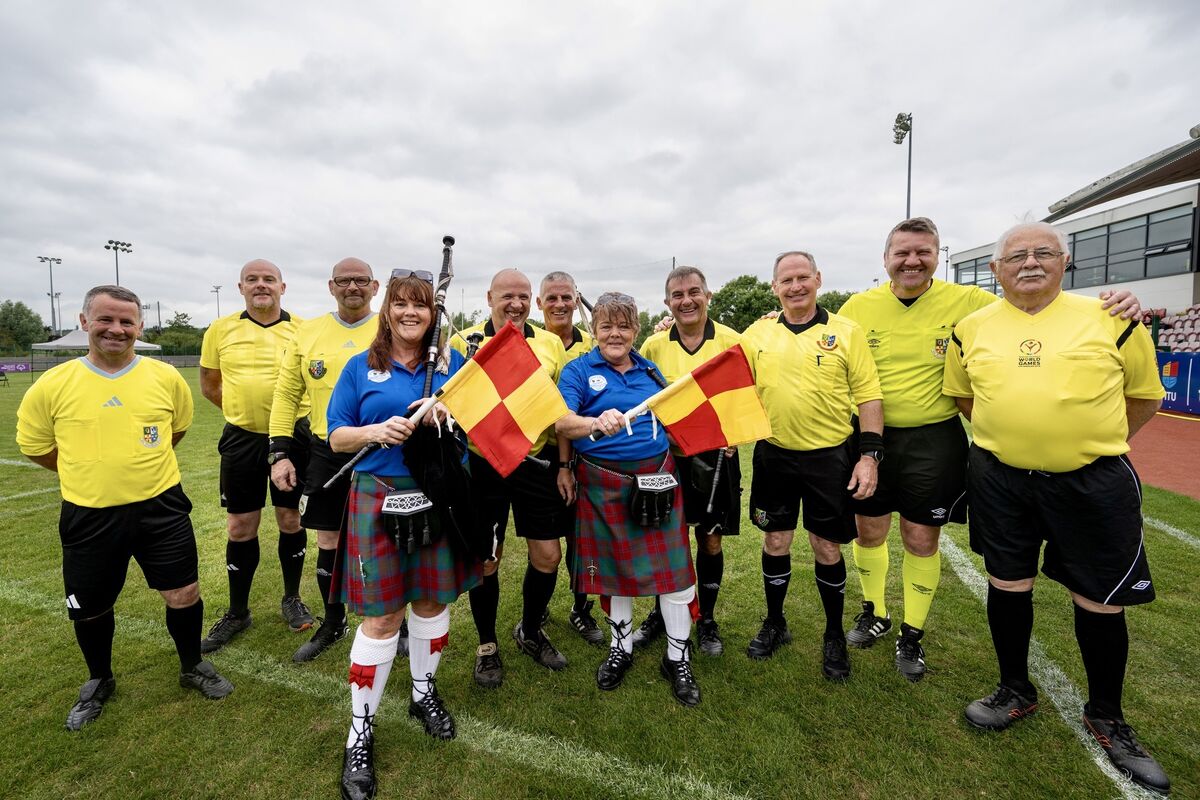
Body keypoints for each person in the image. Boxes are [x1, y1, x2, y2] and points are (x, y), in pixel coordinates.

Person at [838, 217, 1144, 682]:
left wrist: (1121, 299)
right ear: (886, 259)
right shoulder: (858, 307)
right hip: (871, 438)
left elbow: (1028, 310)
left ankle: (912, 633)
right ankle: (873, 611)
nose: (912, 260)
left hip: (933, 439)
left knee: (921, 538)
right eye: (902, 252)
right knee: (869, 531)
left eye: (923, 251)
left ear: (937, 256)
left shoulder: (972, 302)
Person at [944, 222, 1169, 795]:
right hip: (1001, 479)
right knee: (1007, 581)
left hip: (1091, 483)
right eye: (1015, 256)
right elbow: (967, 397)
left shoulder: (1112, 318)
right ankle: (1015, 689)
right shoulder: (970, 329)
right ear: (995, 270)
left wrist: (1084, 444)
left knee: (1098, 598)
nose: (1029, 263)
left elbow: (1142, 398)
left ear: (1065, 262)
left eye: (1043, 253)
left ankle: (1107, 716)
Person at [16, 285, 233, 731]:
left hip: (162, 508)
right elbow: (36, 447)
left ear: (139, 326)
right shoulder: (53, 384)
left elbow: (176, 430)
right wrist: (86, 470)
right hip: (89, 513)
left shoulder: (165, 377)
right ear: (84, 322)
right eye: (105, 320)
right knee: (91, 605)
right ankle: (99, 679)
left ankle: (192, 665)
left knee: (183, 593)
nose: (116, 329)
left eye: (126, 321)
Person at [328, 272, 481, 799]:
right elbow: (336, 434)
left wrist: (448, 411)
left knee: (433, 603)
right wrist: (376, 431)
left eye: (420, 305)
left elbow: (481, 425)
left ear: (431, 314)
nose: (410, 313)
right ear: (386, 310)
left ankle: (422, 691)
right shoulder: (359, 367)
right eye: (401, 304)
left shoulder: (451, 367)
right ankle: (360, 732)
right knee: (382, 617)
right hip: (379, 494)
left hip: (438, 493)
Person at [741, 251, 883, 681]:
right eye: (787, 280)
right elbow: (721, 367)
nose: (796, 286)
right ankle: (775, 623)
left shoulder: (845, 332)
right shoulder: (758, 332)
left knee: (826, 546)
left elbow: (870, 397)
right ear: (774, 287)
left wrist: (869, 457)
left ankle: (834, 633)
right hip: (775, 455)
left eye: (803, 277)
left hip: (830, 457)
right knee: (776, 541)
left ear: (818, 279)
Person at [555, 292, 701, 706]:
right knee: (616, 574)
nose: (615, 334)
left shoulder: (650, 371)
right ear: (594, 330)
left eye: (623, 326)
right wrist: (593, 421)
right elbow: (561, 420)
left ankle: (678, 657)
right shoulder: (578, 371)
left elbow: (677, 413)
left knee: (675, 577)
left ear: (636, 330)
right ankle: (622, 648)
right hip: (605, 483)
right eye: (606, 326)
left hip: (658, 478)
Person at [448, 269, 571, 687]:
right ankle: (487, 646)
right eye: (507, 296)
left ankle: (531, 631)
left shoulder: (551, 343)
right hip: (484, 466)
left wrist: (565, 465)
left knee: (548, 556)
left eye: (522, 296)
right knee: (487, 560)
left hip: (535, 463)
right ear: (489, 297)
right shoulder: (462, 342)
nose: (515, 304)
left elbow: (560, 410)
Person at [269, 257, 380, 663]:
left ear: (375, 286)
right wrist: (279, 453)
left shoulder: (391, 327)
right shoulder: (307, 333)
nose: (353, 287)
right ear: (331, 287)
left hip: (385, 451)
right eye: (344, 281)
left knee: (390, 536)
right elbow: (285, 395)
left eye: (361, 280)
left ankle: (395, 622)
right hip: (327, 449)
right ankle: (333, 622)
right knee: (329, 538)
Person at [199, 259, 311, 652]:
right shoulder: (220, 329)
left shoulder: (303, 330)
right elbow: (210, 385)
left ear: (283, 287)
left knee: (290, 517)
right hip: (242, 438)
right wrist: (243, 413)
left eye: (268, 280)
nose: (260, 285)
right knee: (239, 527)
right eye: (252, 280)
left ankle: (292, 598)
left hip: (293, 437)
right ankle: (237, 611)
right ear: (240, 287)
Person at [635, 266, 743, 657]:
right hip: (669, 459)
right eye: (677, 295)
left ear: (708, 295)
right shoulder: (653, 345)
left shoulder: (733, 341)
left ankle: (707, 619)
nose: (686, 300)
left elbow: (749, 394)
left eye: (693, 292)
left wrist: (736, 433)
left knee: (710, 540)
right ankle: (660, 615)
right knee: (665, 539)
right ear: (667, 303)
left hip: (717, 457)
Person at [535, 271, 603, 645]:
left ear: (577, 300)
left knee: (582, 537)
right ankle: (538, 606)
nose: (560, 305)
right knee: (545, 542)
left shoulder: (593, 343)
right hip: (544, 455)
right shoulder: (530, 344)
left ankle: (581, 608)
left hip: (587, 454)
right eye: (552, 298)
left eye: (567, 297)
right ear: (539, 303)